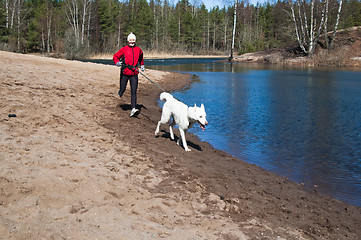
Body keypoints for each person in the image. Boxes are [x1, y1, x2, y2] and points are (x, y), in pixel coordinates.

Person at [113, 32, 145, 117]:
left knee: (133, 91)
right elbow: (115, 56)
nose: (132, 42)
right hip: (125, 71)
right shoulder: (124, 49)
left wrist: (142, 65)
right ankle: (120, 92)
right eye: (131, 40)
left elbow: (141, 57)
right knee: (123, 88)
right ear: (128, 41)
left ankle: (133, 109)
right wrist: (117, 62)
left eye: (133, 40)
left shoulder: (138, 49)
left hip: (134, 72)